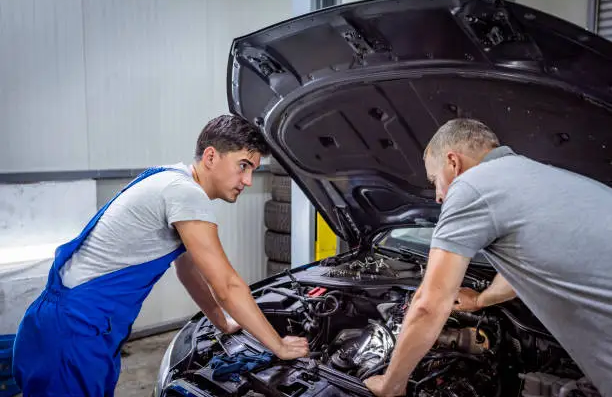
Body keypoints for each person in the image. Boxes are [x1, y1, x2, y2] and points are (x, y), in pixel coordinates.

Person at [12, 114, 309, 396]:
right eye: (243, 165)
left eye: (253, 170)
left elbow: (189, 272)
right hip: (73, 332)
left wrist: (223, 324)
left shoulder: (169, 179)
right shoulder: (185, 193)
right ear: (210, 157)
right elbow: (227, 286)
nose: (247, 180)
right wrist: (278, 346)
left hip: (73, 325)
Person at [363, 118, 612, 397]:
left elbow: (429, 305)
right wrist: (481, 300)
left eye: (434, 180)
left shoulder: (471, 185)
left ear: (453, 163)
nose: (436, 196)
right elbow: (529, 260)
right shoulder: (540, 176)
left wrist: (391, 384)